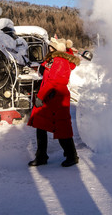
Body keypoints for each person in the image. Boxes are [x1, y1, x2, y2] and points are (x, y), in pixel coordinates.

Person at [27, 37, 81, 167]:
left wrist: (40, 97)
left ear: (54, 49)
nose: (48, 48)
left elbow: (53, 81)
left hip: (56, 97)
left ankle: (72, 156)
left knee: (61, 128)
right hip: (50, 96)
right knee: (40, 126)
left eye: (50, 46)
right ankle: (41, 156)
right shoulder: (54, 60)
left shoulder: (59, 61)